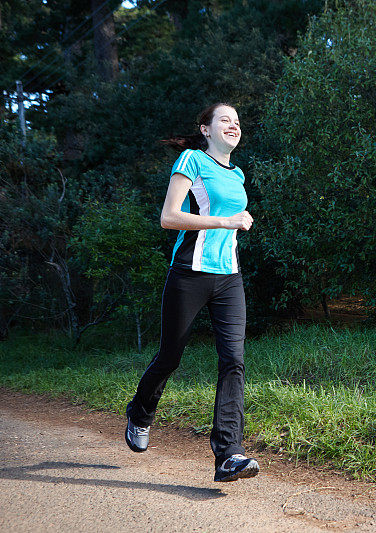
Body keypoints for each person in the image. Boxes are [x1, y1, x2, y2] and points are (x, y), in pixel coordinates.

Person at [124, 102, 259, 482]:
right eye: (224, 120)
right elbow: (169, 217)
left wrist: (233, 224)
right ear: (206, 129)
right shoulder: (191, 161)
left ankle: (229, 455)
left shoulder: (238, 174)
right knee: (170, 355)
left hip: (229, 276)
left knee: (233, 359)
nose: (233, 126)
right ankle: (140, 413)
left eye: (237, 122)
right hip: (189, 273)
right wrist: (226, 221)